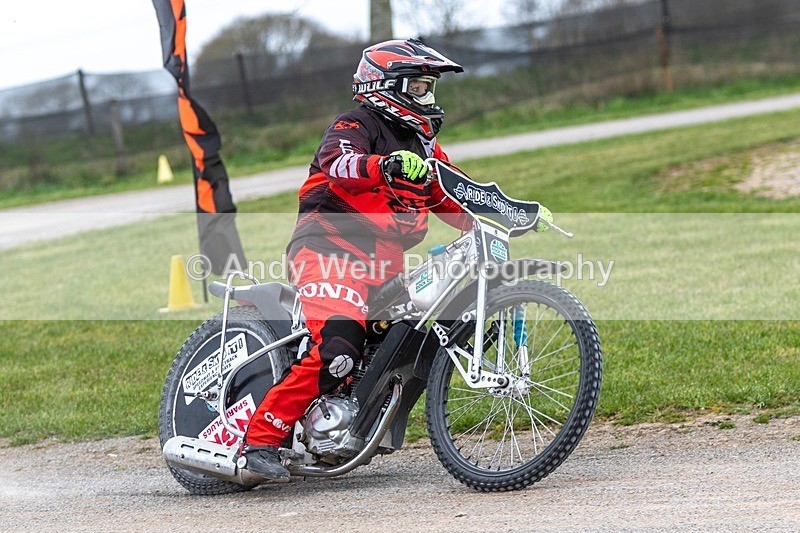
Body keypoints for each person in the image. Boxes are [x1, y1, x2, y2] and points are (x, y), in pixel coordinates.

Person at [240, 39, 479, 478]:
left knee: (408, 333)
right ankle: (261, 439)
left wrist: (509, 212)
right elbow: (340, 164)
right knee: (339, 346)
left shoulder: (423, 146)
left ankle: (348, 419)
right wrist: (384, 166)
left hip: (384, 261)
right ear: (386, 86)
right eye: (420, 88)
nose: (428, 99)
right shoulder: (354, 123)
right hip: (327, 249)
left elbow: (453, 192)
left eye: (430, 89)